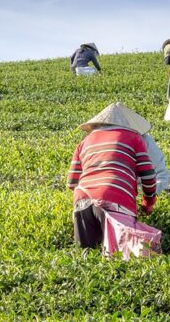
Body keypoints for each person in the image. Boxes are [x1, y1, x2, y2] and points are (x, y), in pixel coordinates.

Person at [67, 103, 157, 249]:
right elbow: (148, 176)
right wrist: (148, 203)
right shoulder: (134, 138)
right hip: (116, 199)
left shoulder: (83, 143)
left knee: (86, 256)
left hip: (82, 200)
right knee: (122, 257)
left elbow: (72, 183)